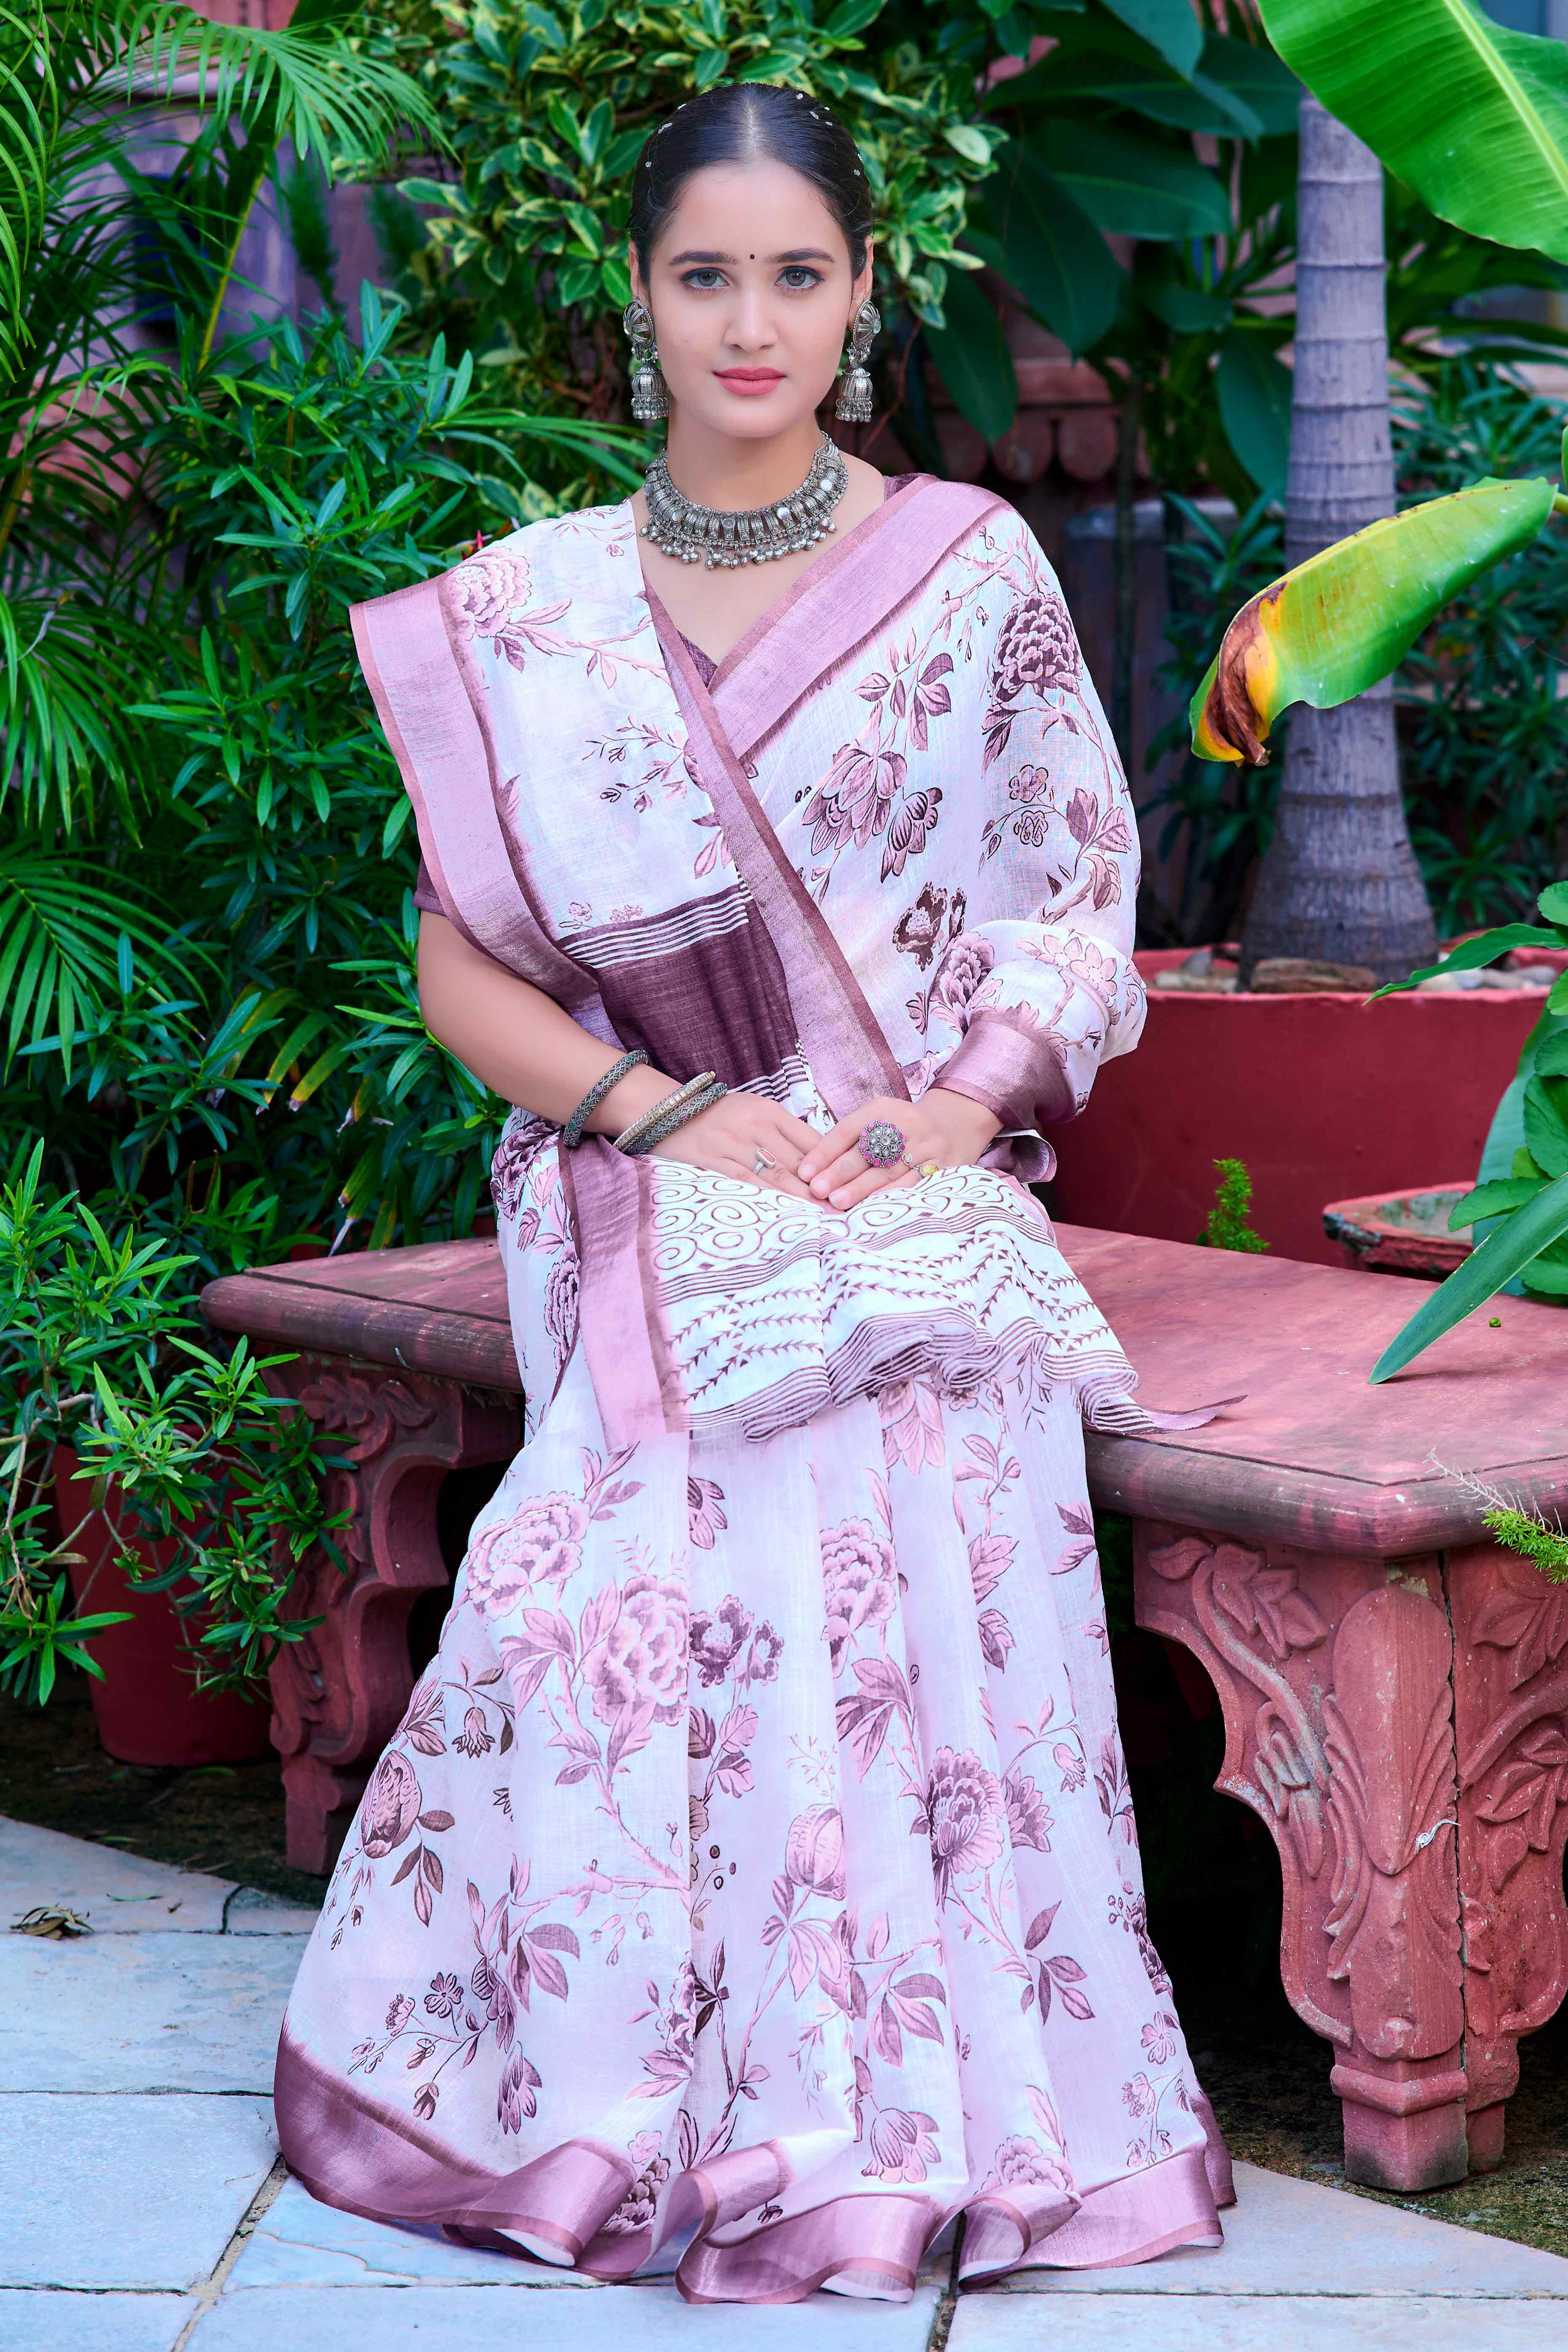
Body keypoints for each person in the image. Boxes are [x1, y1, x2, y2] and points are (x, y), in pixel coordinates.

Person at [274, 78, 1234, 2304]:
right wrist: (664, 1117)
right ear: (638, 293)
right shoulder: (532, 616)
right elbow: (457, 967)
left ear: (862, 294)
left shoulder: (962, 571)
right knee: (646, 1526)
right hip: (633, 1169)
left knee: (919, 1454)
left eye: (794, 273)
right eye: (705, 271)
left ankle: (924, 2111)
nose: (749, 318)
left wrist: (947, 1113)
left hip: (902, 1174)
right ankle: (624, 2092)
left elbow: (1070, 906)